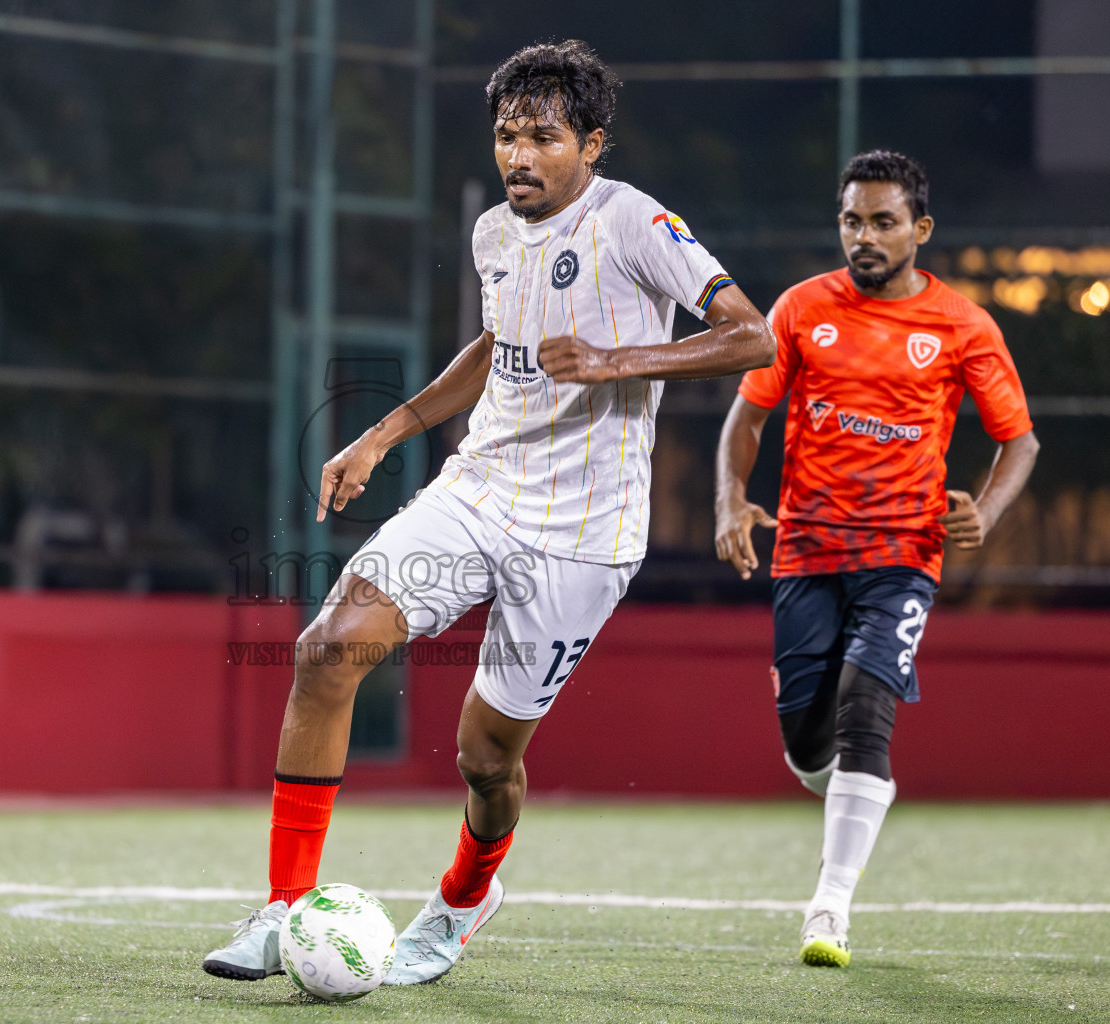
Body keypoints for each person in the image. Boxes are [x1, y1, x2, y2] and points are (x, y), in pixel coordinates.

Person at [203, 39, 774, 986]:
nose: (518, 155)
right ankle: (281, 909)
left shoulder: (634, 223)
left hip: (584, 538)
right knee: (323, 653)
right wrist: (383, 436)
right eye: (507, 134)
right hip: (478, 490)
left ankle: (467, 895)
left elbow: (750, 335)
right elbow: (492, 343)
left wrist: (615, 362)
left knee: (484, 760)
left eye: (542, 137)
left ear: (590, 144)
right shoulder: (494, 233)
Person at [713, 150, 1039, 968]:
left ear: (919, 230)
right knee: (805, 747)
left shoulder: (963, 326)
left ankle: (829, 910)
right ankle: (857, 799)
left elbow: (1020, 441)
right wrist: (728, 499)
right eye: (852, 220)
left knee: (866, 709)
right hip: (805, 552)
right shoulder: (800, 309)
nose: (864, 235)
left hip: (904, 554)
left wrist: (985, 515)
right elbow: (747, 419)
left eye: (883, 221)